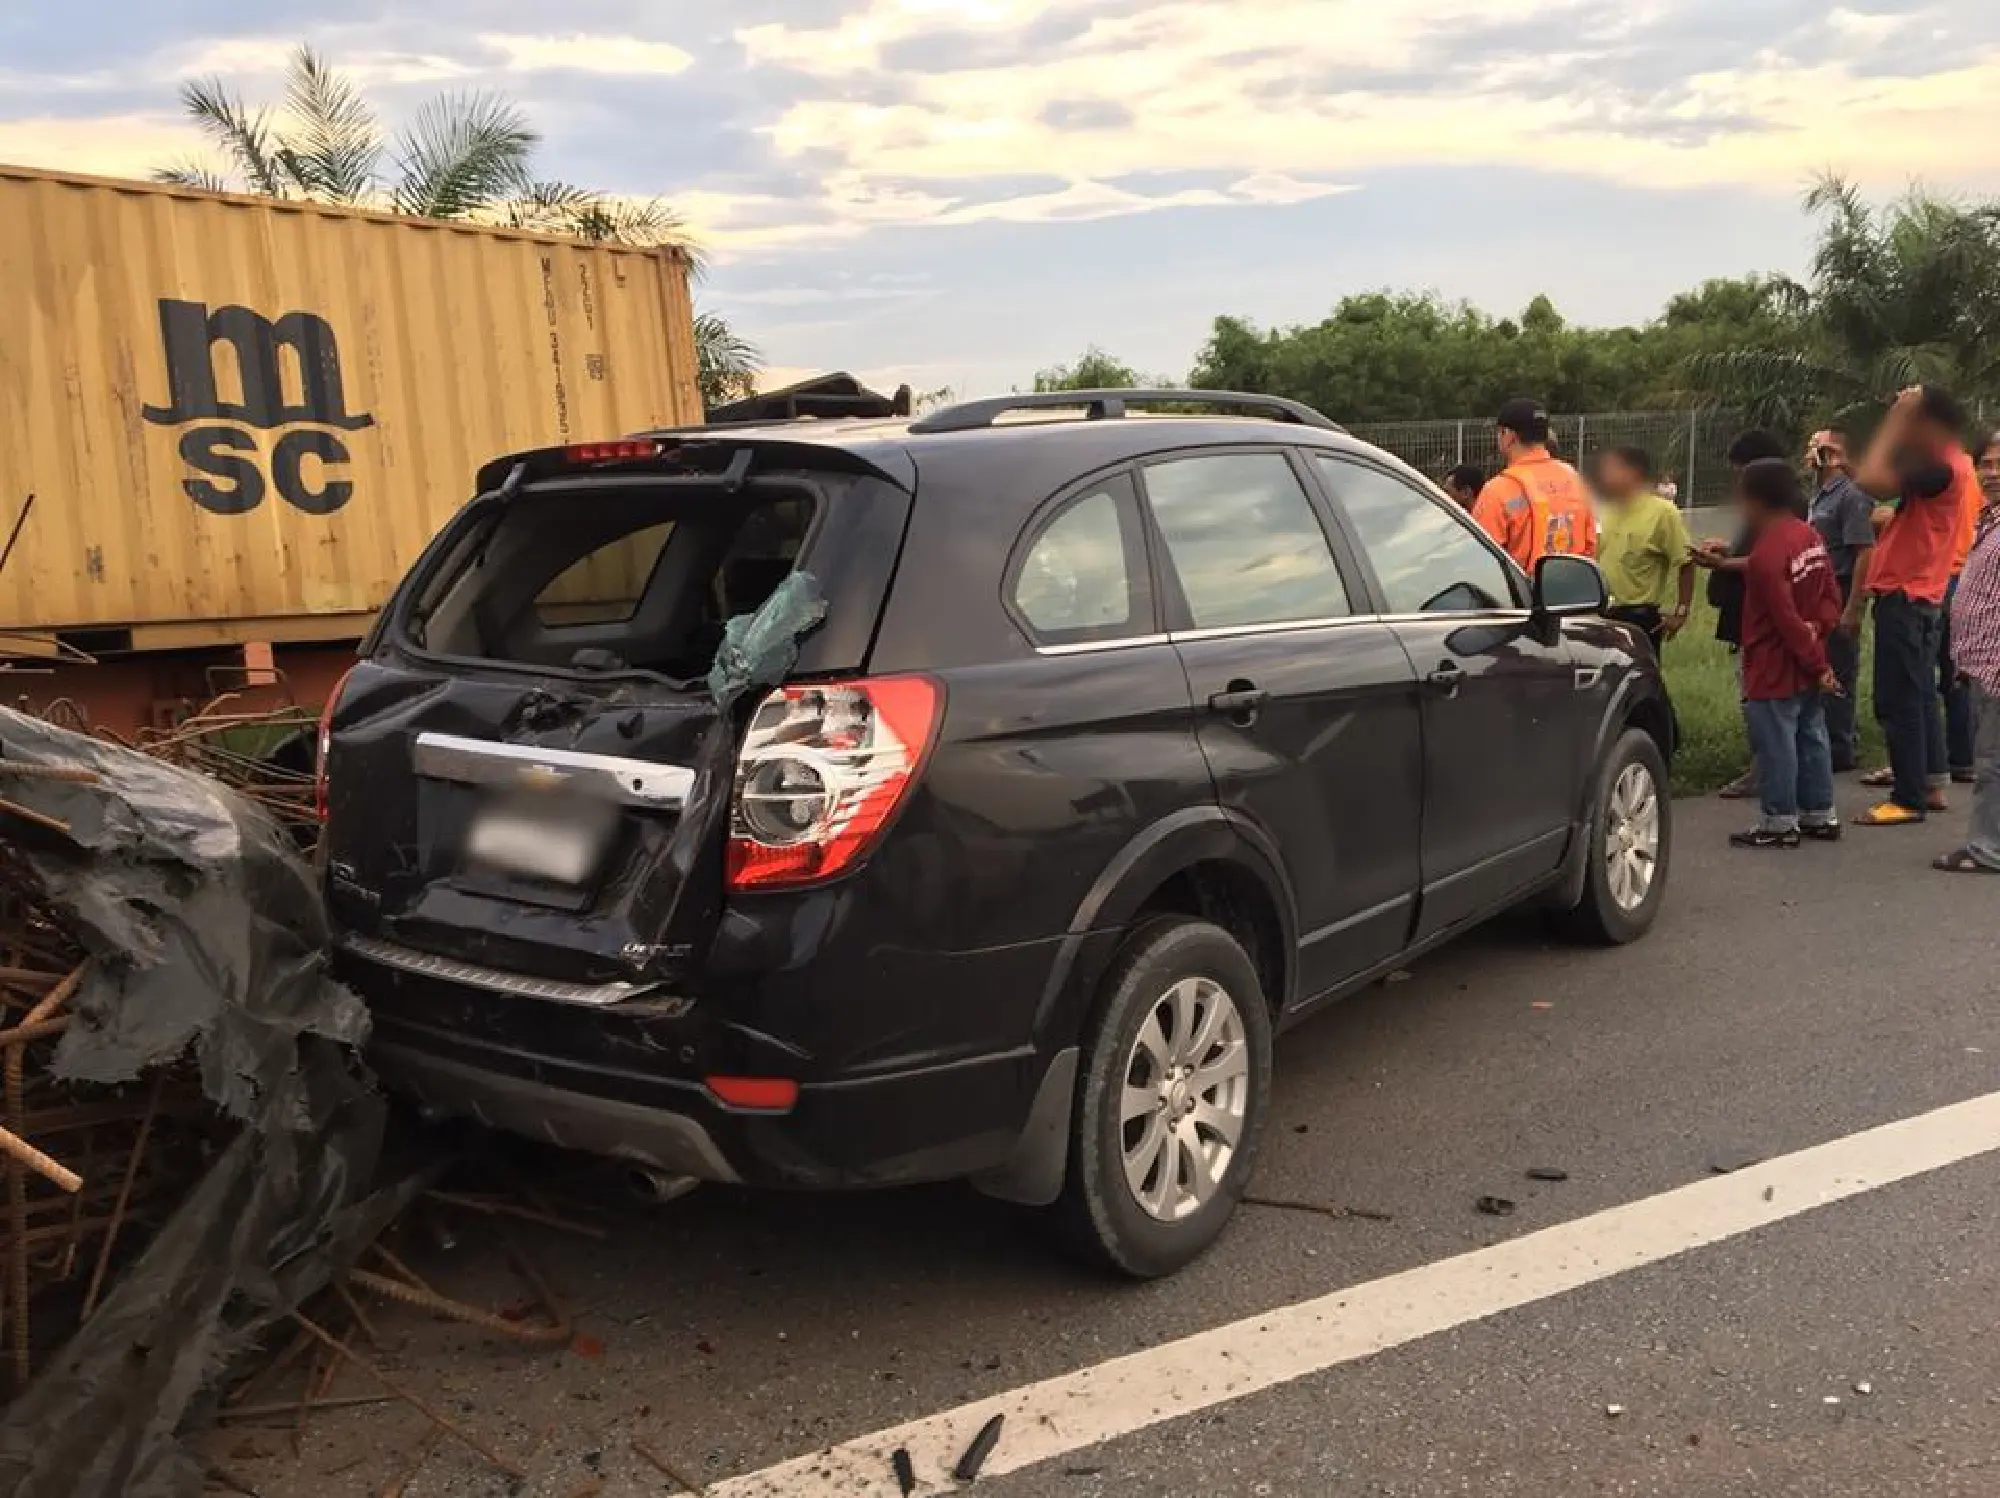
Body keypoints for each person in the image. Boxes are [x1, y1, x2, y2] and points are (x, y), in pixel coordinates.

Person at [1852, 384, 1981, 827]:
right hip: (1922, 593)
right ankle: (1929, 781)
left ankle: (1908, 798)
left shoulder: (1941, 466)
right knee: (1921, 694)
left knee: (1899, 699)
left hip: (1907, 596)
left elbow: (1869, 479)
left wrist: (1896, 417)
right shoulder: (1955, 464)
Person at [1729, 458, 1844, 849]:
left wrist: (1817, 660)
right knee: (1812, 734)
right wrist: (1820, 634)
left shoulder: (1767, 552)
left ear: (1757, 500)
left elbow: (1784, 619)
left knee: (1777, 742)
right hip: (1808, 658)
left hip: (1774, 663)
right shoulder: (1808, 536)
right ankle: (1820, 813)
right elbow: (1830, 595)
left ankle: (1779, 821)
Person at [1690, 429, 1791, 799]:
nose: (1738, 480)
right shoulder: (1760, 510)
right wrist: (1727, 549)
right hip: (1745, 617)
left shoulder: (1781, 514)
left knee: (1761, 701)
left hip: (1760, 620)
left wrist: (1723, 562)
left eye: (1742, 470)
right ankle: (1767, 769)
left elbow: (1768, 562)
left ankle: (1767, 777)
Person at [1935, 430, 2000, 872]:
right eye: (1987, 464)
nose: (1991, 473)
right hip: (1981, 664)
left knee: (1992, 764)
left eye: (1999, 464)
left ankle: (1987, 848)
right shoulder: (1989, 519)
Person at [1807, 427, 1877, 770]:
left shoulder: (1850, 496)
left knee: (1839, 669)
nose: (1811, 451)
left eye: (1819, 446)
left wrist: (1853, 608)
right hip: (1822, 592)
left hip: (1841, 588)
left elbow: (1864, 551)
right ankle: (1834, 739)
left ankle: (1841, 747)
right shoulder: (1820, 495)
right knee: (1825, 667)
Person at [1471, 398, 1597, 570]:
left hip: (1521, 594)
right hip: (1572, 590)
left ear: (1509, 436)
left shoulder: (1498, 491)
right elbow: (1590, 544)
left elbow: (1482, 561)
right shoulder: (1574, 479)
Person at [1594, 445, 1693, 656]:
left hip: (1638, 619)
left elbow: (1685, 562)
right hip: (1602, 615)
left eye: (1613, 468)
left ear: (1634, 472)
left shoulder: (1663, 513)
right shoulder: (1603, 510)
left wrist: (1681, 612)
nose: (1605, 475)